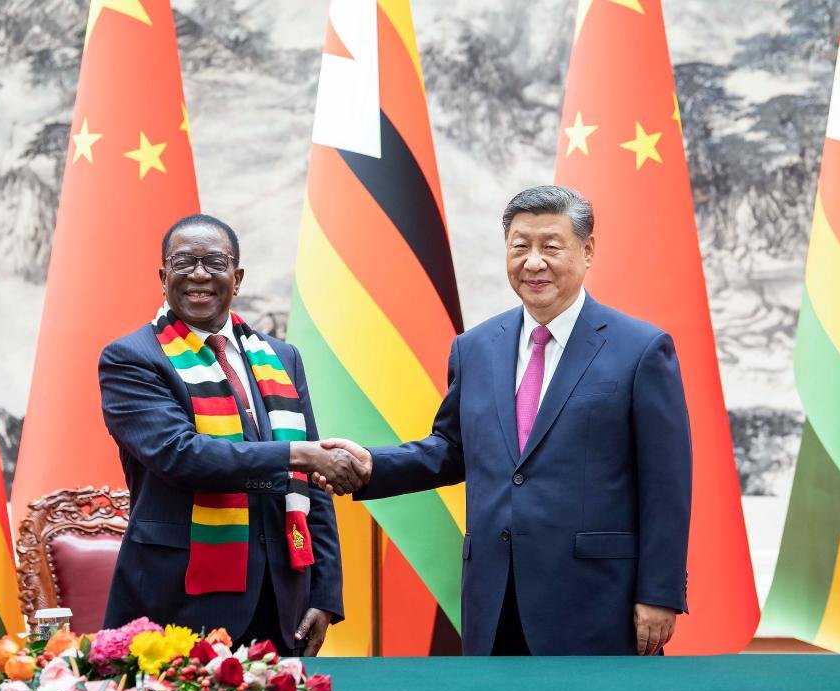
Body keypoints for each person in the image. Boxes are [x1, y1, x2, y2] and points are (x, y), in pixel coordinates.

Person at [319, 186, 692, 656]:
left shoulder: (640, 349)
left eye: (550, 246)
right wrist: (373, 465)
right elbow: (452, 450)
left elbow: (667, 483)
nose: (533, 262)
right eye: (520, 246)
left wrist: (659, 593)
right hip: (494, 596)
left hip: (597, 599)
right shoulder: (474, 348)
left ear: (588, 250)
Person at [99, 213, 363, 656]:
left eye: (214, 262)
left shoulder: (281, 357)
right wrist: (296, 455)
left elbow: (313, 485)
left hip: (281, 600)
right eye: (184, 262)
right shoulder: (131, 358)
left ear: (236, 278)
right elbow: (181, 455)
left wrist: (324, 594)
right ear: (163, 277)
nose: (199, 274)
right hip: (178, 604)